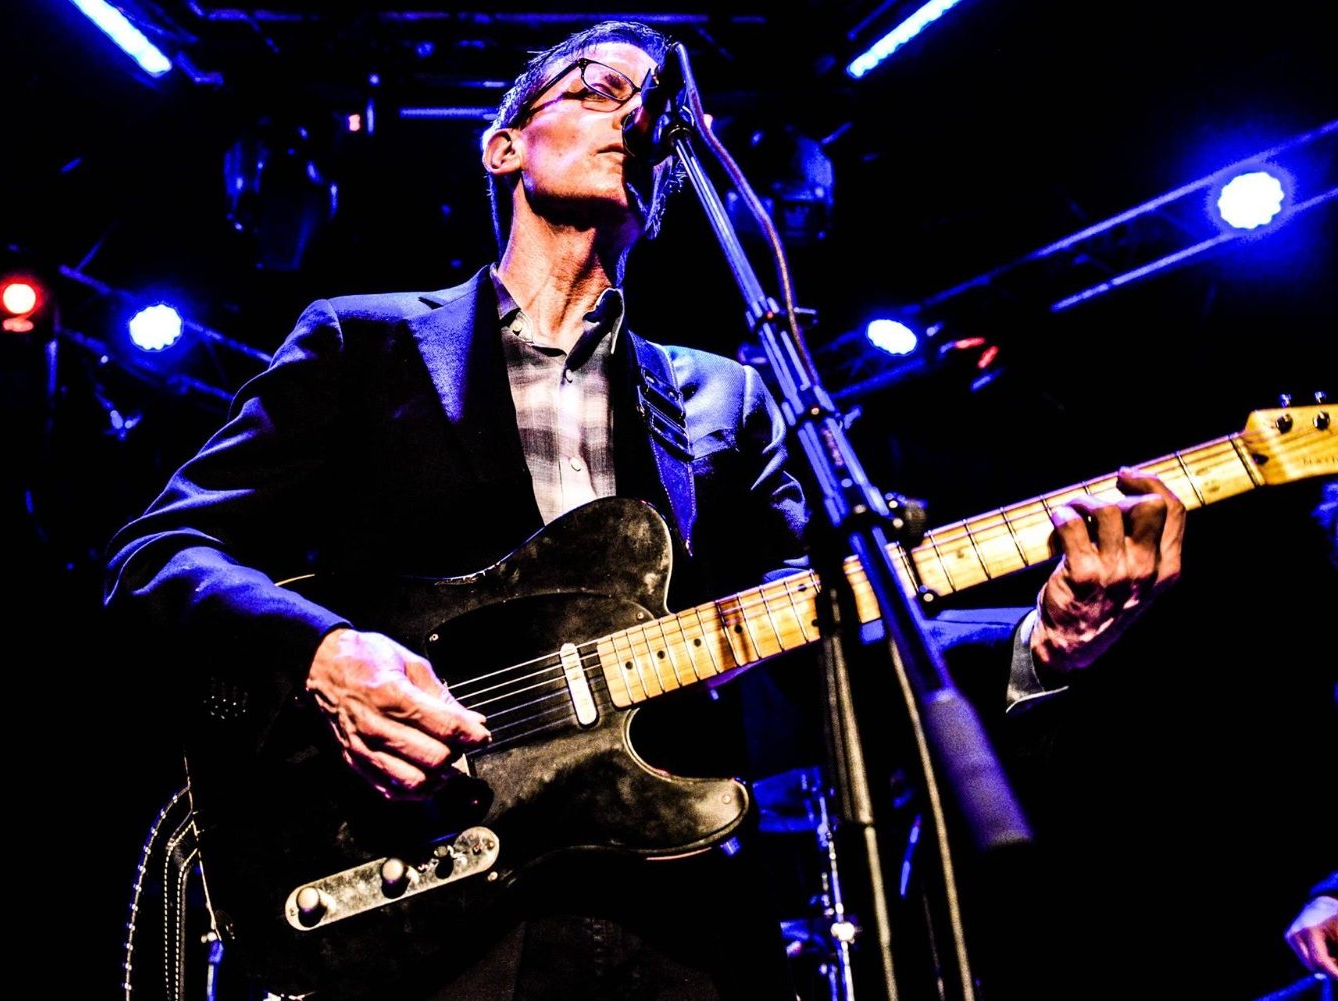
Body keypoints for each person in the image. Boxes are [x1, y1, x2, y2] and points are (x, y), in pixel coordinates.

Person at [104, 20, 1185, 999]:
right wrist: (324, 651)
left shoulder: (730, 397)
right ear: (503, 147)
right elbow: (158, 551)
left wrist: (1043, 639)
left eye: (656, 107)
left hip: (675, 922)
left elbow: (829, 619)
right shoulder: (364, 340)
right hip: (419, 900)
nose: (634, 113)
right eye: (595, 88)